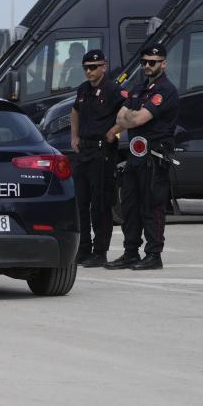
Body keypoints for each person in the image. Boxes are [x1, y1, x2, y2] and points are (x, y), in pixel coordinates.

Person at [105, 43, 179, 271]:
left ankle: (153, 255)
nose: (147, 66)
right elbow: (120, 117)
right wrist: (131, 116)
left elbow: (136, 120)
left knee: (152, 206)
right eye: (144, 62)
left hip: (154, 157)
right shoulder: (138, 89)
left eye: (152, 62)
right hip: (136, 158)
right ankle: (130, 252)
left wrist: (131, 116)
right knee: (130, 206)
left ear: (163, 63)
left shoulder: (165, 90)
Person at [69, 49, 121, 267]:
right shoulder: (83, 90)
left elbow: (127, 113)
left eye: (93, 67)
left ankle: (100, 252)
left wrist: (114, 132)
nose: (89, 72)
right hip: (84, 152)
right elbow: (75, 111)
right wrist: (74, 136)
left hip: (102, 153)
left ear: (104, 66)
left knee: (100, 205)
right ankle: (83, 250)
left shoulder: (113, 89)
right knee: (81, 203)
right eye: (86, 68)